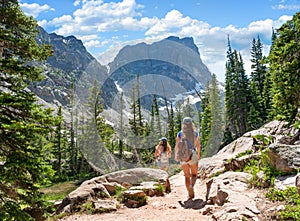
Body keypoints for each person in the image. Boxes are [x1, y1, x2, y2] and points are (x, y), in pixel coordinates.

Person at [175, 117, 201, 199]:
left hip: (183, 156)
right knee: (194, 174)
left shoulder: (180, 133)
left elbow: (177, 146)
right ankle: (191, 186)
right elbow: (198, 145)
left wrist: (176, 156)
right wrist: (198, 154)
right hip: (192, 155)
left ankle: (190, 195)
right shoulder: (195, 133)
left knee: (187, 176)